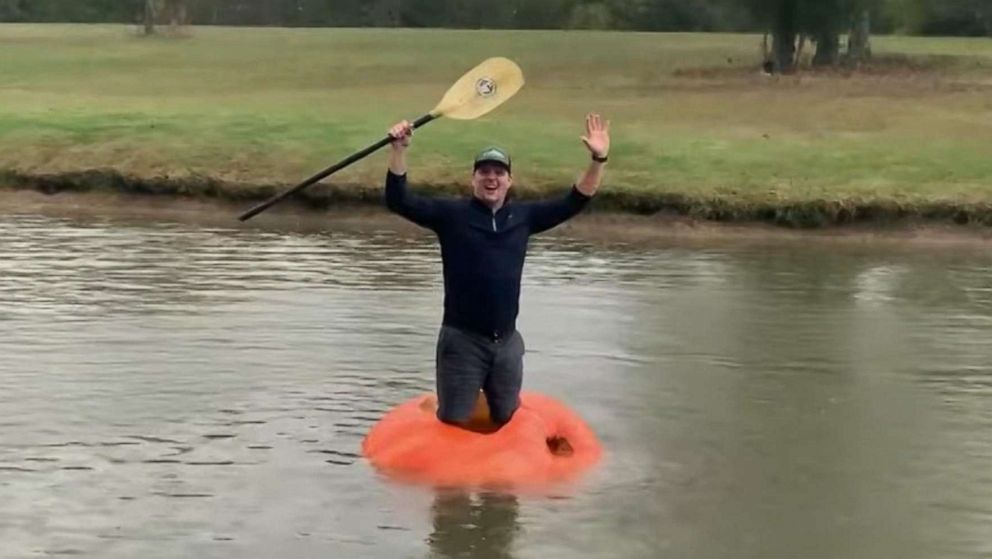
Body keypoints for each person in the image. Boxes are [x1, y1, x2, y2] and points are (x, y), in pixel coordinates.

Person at [384, 113, 610, 429]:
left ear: (509, 181)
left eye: (499, 173)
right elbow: (399, 200)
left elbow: (576, 200)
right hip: (461, 342)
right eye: (485, 172)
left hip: (506, 344)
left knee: (508, 422)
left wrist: (599, 158)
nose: (492, 178)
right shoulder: (451, 215)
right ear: (473, 179)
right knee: (452, 423)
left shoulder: (524, 216)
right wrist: (399, 150)